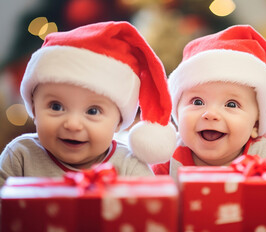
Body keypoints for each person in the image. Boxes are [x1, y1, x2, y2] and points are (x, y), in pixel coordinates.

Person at [0, 21, 177, 186]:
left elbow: (150, 213)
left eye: (93, 111)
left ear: (118, 122)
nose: (73, 124)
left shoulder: (130, 167)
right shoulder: (19, 156)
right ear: (34, 109)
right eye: (56, 107)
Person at [151, 25, 266, 177]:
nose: (211, 114)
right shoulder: (167, 157)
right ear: (177, 114)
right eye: (197, 102)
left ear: (256, 125)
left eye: (231, 104)